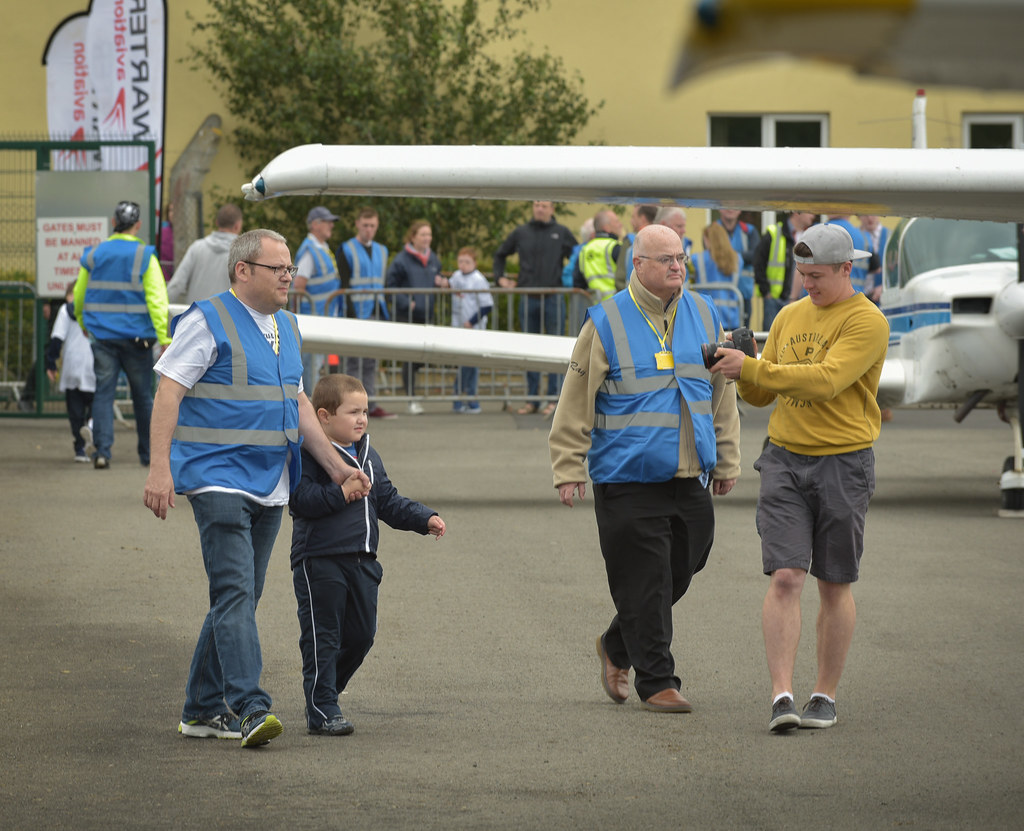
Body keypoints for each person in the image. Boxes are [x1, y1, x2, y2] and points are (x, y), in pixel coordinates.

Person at [143, 228, 371, 749]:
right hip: (215, 476)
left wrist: (337, 468)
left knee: (239, 596)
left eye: (290, 267)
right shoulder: (208, 319)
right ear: (243, 270)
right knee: (235, 592)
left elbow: (295, 403)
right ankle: (250, 706)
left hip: (272, 481)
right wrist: (161, 469)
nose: (289, 275)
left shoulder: (287, 325)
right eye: (278, 268)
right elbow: (169, 392)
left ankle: (201, 710)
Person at [549, 224, 741, 714]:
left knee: (686, 562)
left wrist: (726, 456)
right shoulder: (606, 321)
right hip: (626, 475)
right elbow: (575, 400)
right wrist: (568, 465)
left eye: (681, 258)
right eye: (666, 259)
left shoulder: (703, 312)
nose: (677, 266)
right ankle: (658, 681)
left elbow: (721, 393)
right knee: (646, 578)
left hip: (689, 472)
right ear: (638, 265)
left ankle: (617, 644)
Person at [710, 223, 888, 733]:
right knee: (786, 576)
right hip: (785, 459)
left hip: (844, 461)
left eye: (817, 276)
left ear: (846, 269)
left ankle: (824, 695)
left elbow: (827, 381)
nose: (807, 284)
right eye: (802, 275)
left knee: (834, 584)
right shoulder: (789, 315)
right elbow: (766, 396)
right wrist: (739, 367)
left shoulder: (867, 321)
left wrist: (755, 368)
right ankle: (781, 695)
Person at [289, 374, 445, 735]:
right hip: (320, 560)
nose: (362, 418)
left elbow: (387, 501)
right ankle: (322, 707)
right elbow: (299, 501)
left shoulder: (369, 454)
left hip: (363, 562)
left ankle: (327, 691)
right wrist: (340, 493)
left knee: (361, 636)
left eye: (364, 411)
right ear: (323, 417)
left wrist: (425, 518)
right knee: (322, 636)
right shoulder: (308, 453)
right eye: (352, 412)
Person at [73, 200, 170, 469]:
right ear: (138, 225)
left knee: (104, 393)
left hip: (102, 336)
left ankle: (102, 452)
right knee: (143, 396)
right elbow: (157, 299)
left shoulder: (94, 255)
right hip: (138, 339)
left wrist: (83, 320)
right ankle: (149, 454)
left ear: (113, 223)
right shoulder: (144, 255)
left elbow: (79, 295)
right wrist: (164, 337)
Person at [493, 200, 577, 416]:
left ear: (552, 209)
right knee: (529, 349)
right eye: (537, 204)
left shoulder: (561, 232)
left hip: (553, 298)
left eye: (544, 205)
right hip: (527, 297)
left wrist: (572, 281)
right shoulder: (521, 232)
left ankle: (554, 399)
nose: (540, 208)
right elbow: (500, 254)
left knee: (556, 347)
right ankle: (532, 400)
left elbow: (577, 257)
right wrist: (499, 278)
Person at [336, 207, 395, 419]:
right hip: (356, 312)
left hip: (377, 310)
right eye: (365, 225)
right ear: (358, 225)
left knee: (371, 361)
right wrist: (350, 313)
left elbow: (383, 282)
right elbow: (344, 284)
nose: (369, 230)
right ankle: (350, 404)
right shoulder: (346, 249)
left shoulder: (382, 250)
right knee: (352, 361)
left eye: (372, 226)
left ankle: (369, 403)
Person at [385, 220, 447, 415]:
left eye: (429, 235)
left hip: (427, 316)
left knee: (422, 356)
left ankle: (414, 395)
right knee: (410, 358)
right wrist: (406, 302)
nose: (427, 238)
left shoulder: (434, 259)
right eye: (423, 235)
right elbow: (389, 288)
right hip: (407, 317)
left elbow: (435, 278)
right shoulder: (401, 260)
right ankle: (411, 398)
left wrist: (441, 283)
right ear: (413, 237)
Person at [45, 285, 95, 462]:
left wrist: (51, 363)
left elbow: (57, 338)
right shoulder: (96, 307)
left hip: (72, 365)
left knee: (75, 411)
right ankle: (91, 428)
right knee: (97, 405)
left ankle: (80, 448)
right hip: (94, 364)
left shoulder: (66, 311)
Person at [295, 206, 341, 394]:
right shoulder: (309, 250)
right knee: (311, 364)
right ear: (315, 225)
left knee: (317, 363)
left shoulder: (321, 248)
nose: (331, 225)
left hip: (323, 315)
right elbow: (298, 286)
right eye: (327, 221)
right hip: (313, 317)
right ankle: (308, 408)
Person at [165, 204, 243, 304]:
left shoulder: (197, 247)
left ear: (217, 223)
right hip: (225, 318)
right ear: (237, 226)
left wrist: (161, 309)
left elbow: (177, 285)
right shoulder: (241, 255)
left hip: (196, 315)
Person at [752, 210, 816, 330]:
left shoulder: (811, 236)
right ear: (797, 212)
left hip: (800, 301)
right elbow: (758, 262)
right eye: (809, 211)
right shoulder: (774, 232)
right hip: (774, 300)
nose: (813, 215)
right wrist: (766, 292)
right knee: (772, 339)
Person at [448, 247, 494, 413]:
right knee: (463, 362)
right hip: (459, 326)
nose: (463, 265)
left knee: (471, 363)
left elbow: (487, 305)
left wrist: (471, 321)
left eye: (467, 262)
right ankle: (460, 398)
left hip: (473, 327)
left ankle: (468, 397)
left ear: (474, 263)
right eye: (460, 261)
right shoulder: (457, 276)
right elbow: (448, 285)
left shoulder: (478, 279)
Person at [716, 209, 761, 326]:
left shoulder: (749, 231)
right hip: (720, 294)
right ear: (719, 208)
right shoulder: (713, 230)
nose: (730, 209)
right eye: (726, 205)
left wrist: (730, 255)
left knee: (742, 335)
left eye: (734, 205)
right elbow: (713, 256)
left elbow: (755, 255)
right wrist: (741, 256)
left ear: (740, 210)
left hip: (743, 292)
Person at [693, 223, 742, 330]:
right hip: (732, 318)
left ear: (707, 240)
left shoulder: (698, 259)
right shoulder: (737, 259)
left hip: (706, 317)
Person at [572, 208, 623, 303]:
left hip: (593, 306)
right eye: (616, 221)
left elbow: (578, 282)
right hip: (615, 305)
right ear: (607, 227)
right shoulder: (615, 247)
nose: (620, 224)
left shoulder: (584, 250)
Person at [823, 214, 874, 295]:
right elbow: (876, 269)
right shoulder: (865, 237)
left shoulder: (818, 232)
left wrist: (794, 296)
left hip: (823, 296)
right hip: (856, 296)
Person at [615, 204, 658, 290]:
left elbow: (620, 277)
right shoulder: (663, 238)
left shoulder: (630, 241)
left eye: (633, 217)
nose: (631, 221)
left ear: (642, 218)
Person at [654, 206, 694, 278]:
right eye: (679, 226)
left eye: (684, 226)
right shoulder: (645, 249)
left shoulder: (685, 248)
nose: (684, 231)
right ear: (663, 225)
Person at [859, 214, 890, 304]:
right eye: (865, 214)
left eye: (873, 213)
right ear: (859, 216)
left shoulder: (890, 236)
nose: (869, 218)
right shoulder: (854, 237)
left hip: (882, 300)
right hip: (860, 297)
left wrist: (884, 287)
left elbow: (899, 271)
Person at [159, 203, 174, 280]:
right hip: (164, 277)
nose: (172, 213)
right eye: (170, 210)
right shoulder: (162, 233)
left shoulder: (186, 234)